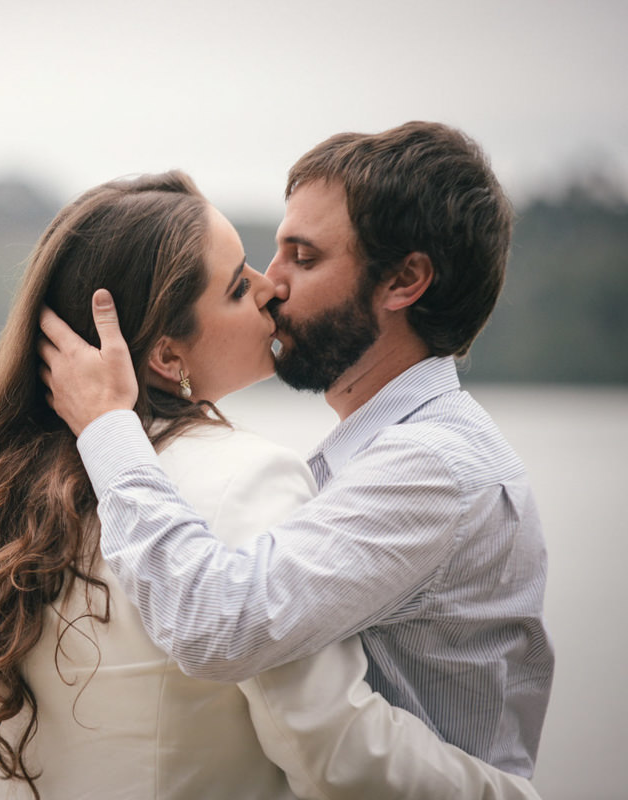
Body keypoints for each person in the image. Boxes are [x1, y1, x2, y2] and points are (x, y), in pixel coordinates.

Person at [0, 170, 540, 798]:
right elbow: (330, 748)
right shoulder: (245, 478)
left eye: (295, 260)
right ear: (165, 354)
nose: (271, 287)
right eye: (239, 287)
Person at [37, 122, 554, 780]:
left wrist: (110, 429)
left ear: (404, 281)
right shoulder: (375, 452)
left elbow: (218, 624)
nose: (271, 284)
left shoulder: (435, 467)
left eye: (303, 258)